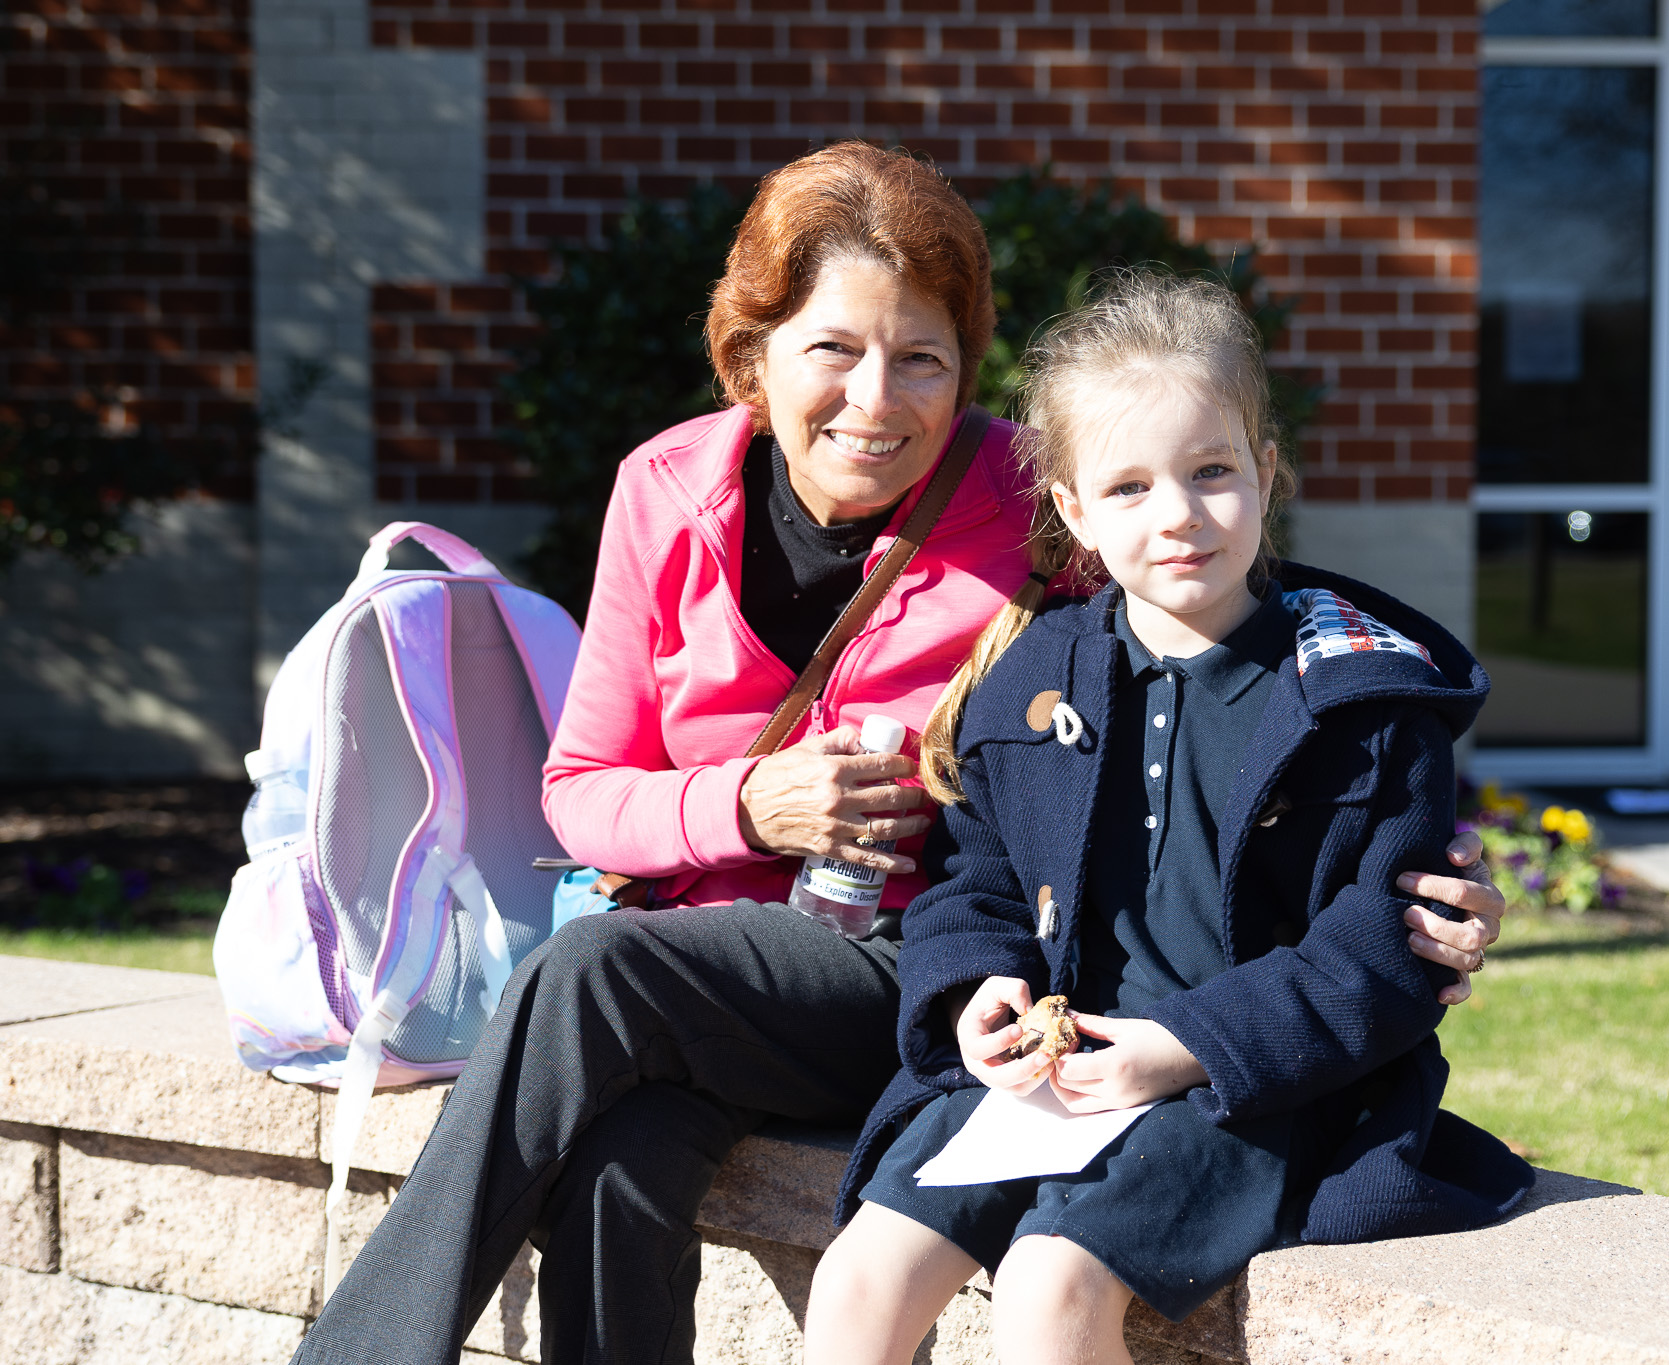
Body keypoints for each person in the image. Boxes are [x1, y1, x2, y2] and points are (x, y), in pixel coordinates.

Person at [293, 146, 1505, 1365]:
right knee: (622, 1147)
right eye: (832, 348)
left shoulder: (1033, 502)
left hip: (907, 970)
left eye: (921, 358)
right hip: (712, 970)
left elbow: (1205, 613)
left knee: (593, 974)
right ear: (750, 354)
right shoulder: (662, 489)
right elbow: (581, 793)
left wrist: (1418, 855)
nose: (877, 399)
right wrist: (748, 808)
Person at [804, 273, 1534, 1365]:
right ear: (1072, 511)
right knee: (861, 1272)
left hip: (1255, 1088)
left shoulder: (1361, 706)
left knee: (1050, 1285)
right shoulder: (1035, 676)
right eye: (1131, 487)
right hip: (1056, 1074)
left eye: (1210, 473)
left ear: (1265, 471)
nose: (1179, 515)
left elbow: (1385, 949)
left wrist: (1182, 1047)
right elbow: (978, 877)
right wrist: (973, 993)